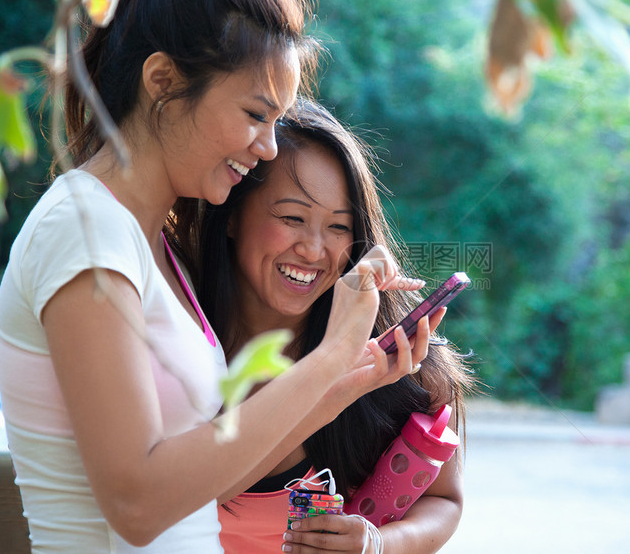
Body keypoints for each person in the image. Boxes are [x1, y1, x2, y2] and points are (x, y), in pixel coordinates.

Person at [0, 0, 430, 552]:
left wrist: (359, 371)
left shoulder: (152, 242)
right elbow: (137, 504)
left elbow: (210, 475)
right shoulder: (85, 230)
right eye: (255, 113)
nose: (270, 148)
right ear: (163, 83)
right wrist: (325, 361)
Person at [195, 98, 476, 554]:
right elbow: (187, 493)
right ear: (232, 216)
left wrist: (377, 543)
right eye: (291, 218)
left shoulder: (395, 365)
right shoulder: (180, 340)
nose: (314, 249)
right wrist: (338, 378)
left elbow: (445, 501)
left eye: (339, 228)